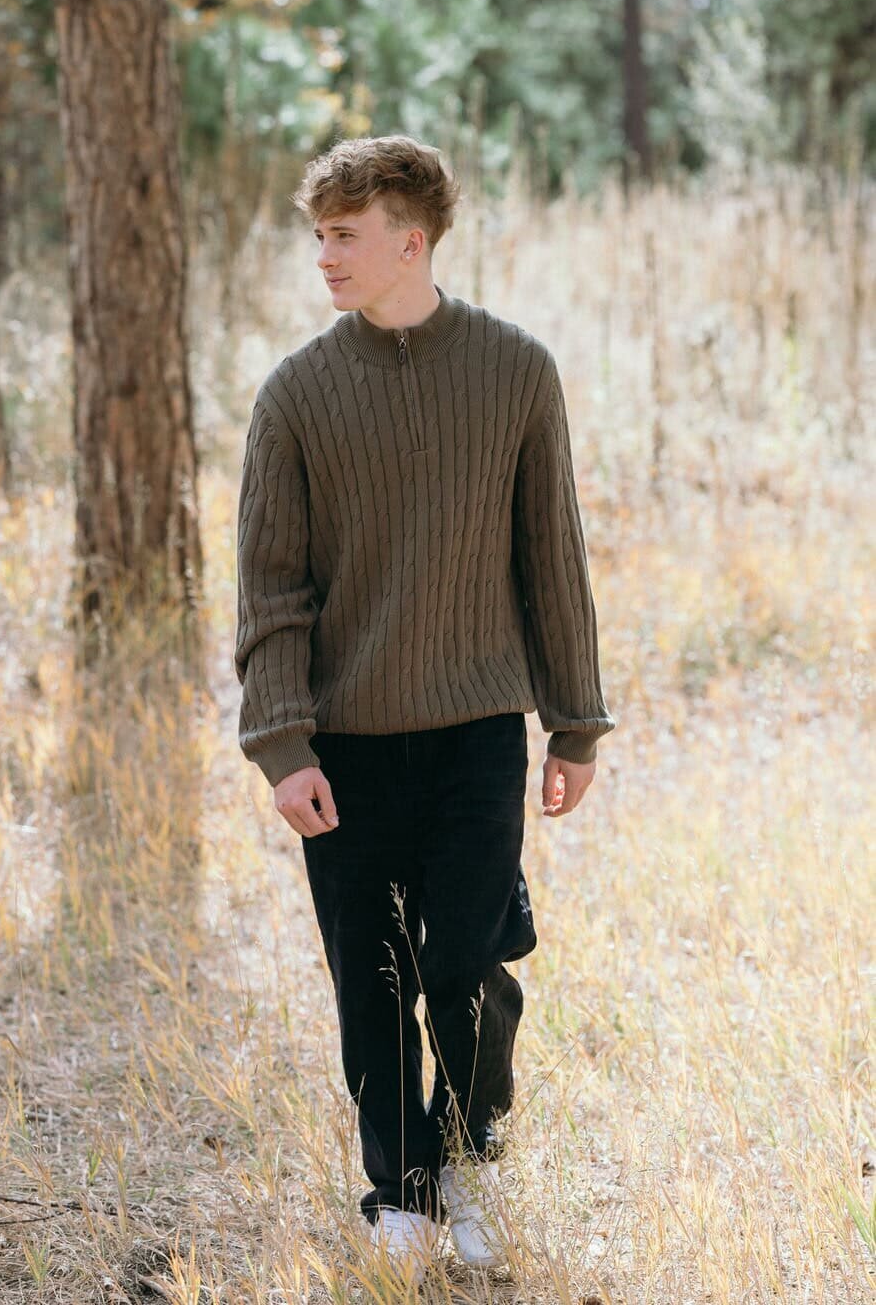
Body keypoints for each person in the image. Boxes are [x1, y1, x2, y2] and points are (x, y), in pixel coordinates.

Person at [234, 134, 615, 1282]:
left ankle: (465, 1155)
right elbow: (270, 583)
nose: (324, 255)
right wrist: (281, 739)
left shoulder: (515, 370)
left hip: (478, 730)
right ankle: (396, 1190)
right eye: (317, 234)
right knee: (373, 975)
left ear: (412, 238)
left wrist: (575, 720)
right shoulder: (297, 391)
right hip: (345, 738)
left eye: (344, 234)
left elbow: (553, 553)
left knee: (464, 959)